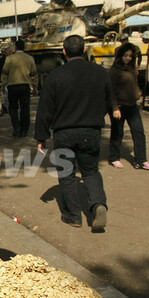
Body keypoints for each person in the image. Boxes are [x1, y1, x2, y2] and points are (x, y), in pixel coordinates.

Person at [34, 35, 113, 232]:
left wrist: (41, 136)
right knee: (91, 170)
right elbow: (108, 100)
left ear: (64, 52)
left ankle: (73, 216)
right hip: (91, 130)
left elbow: (45, 109)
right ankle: (97, 204)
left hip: (64, 132)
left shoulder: (55, 75)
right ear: (85, 50)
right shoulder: (100, 72)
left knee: (67, 174)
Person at [108, 43, 149, 170]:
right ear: (120, 56)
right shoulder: (114, 71)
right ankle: (114, 157)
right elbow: (110, 91)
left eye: (130, 56)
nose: (128, 58)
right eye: (125, 56)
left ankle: (141, 159)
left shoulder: (132, 69)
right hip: (119, 107)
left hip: (132, 106)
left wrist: (138, 92)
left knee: (138, 132)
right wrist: (115, 108)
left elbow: (134, 84)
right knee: (117, 133)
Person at [0, 39, 37, 137]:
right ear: (24, 47)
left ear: (15, 47)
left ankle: (16, 128)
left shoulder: (10, 58)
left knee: (13, 108)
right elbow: (34, 75)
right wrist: (35, 87)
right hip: (25, 86)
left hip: (12, 86)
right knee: (25, 108)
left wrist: (3, 85)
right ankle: (24, 130)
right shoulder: (29, 58)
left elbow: (4, 73)